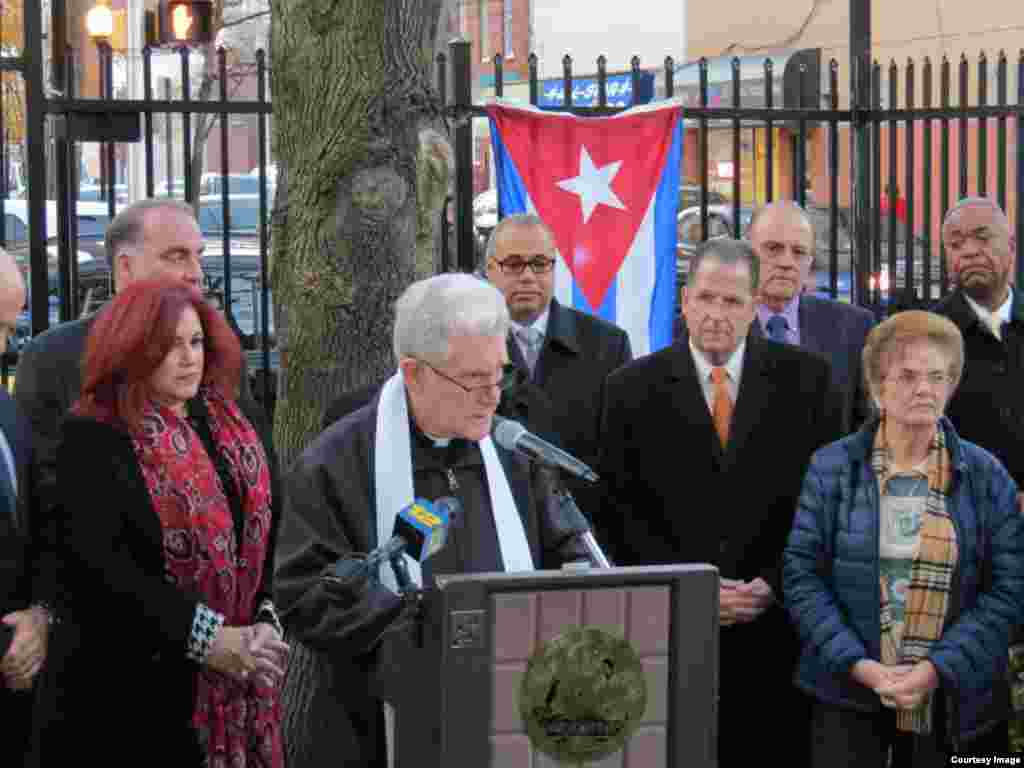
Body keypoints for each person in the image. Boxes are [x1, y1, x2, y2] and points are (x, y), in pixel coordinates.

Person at [274, 273, 588, 768]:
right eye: (474, 380)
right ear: (414, 372)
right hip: (378, 723)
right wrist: (425, 629)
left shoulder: (513, 453)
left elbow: (567, 543)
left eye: (500, 374)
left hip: (513, 708)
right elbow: (305, 592)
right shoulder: (337, 460)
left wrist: (577, 577)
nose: (493, 397)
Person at [597, 238, 842, 767]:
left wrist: (773, 583)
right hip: (669, 631)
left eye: (732, 302)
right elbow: (618, 514)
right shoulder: (628, 389)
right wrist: (695, 589)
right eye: (706, 298)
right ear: (684, 300)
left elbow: (824, 507)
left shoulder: (811, 383)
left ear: (755, 307)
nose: (716, 314)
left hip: (776, 633)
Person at [38, 280, 289, 766]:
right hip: (133, 696)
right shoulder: (93, 436)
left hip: (243, 682)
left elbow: (266, 535)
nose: (188, 358)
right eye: (168, 346)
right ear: (131, 348)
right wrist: (208, 638)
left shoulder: (235, 420)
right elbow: (103, 574)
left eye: (195, 342)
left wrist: (262, 621)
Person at [783, 310, 1024, 766]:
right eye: (908, 376)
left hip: (956, 702)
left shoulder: (986, 475)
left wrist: (936, 669)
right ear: (878, 388)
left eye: (937, 376)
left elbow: (1008, 590)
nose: (925, 389)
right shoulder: (831, 468)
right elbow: (801, 578)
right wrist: (863, 667)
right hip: (847, 697)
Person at [14, 198, 277, 530]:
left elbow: (257, 465)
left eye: (199, 256)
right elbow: (43, 498)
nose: (196, 273)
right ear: (125, 268)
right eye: (177, 256)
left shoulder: (218, 351)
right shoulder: (54, 357)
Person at [933, 196, 1024, 749]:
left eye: (982, 237)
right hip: (965, 557)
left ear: (1011, 246)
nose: (969, 251)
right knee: (975, 724)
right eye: (955, 242)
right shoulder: (928, 338)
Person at [484, 213, 632, 516]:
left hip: (583, 525)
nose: (527, 276)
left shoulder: (607, 345)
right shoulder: (469, 346)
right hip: (500, 520)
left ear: (554, 269)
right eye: (513, 264)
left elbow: (624, 458)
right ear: (489, 270)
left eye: (540, 264)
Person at [747, 200, 876, 433]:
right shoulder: (720, 326)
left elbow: (866, 429)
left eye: (799, 252)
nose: (787, 262)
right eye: (773, 248)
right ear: (748, 253)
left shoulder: (854, 328)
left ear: (810, 261)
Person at [0, 249, 56, 768]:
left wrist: (40, 617)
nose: (2, 348)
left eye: (7, 330)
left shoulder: (7, 410)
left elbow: (35, 530)